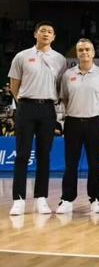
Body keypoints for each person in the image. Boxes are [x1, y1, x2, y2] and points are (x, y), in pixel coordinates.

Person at [8, 21, 67, 215]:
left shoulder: (60, 59)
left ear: (54, 37)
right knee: (22, 154)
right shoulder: (22, 56)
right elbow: (14, 85)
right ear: (35, 34)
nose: (46, 34)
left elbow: (60, 86)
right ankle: (18, 199)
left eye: (50, 31)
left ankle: (41, 198)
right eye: (42, 31)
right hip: (26, 107)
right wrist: (23, 102)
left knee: (44, 155)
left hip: (48, 109)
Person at [56, 39, 99, 214]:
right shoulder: (68, 75)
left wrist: (96, 109)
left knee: (95, 162)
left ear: (93, 52)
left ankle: (96, 199)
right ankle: (67, 199)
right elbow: (64, 97)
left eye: (87, 49)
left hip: (95, 122)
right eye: (81, 50)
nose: (84, 52)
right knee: (70, 163)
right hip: (73, 122)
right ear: (77, 53)